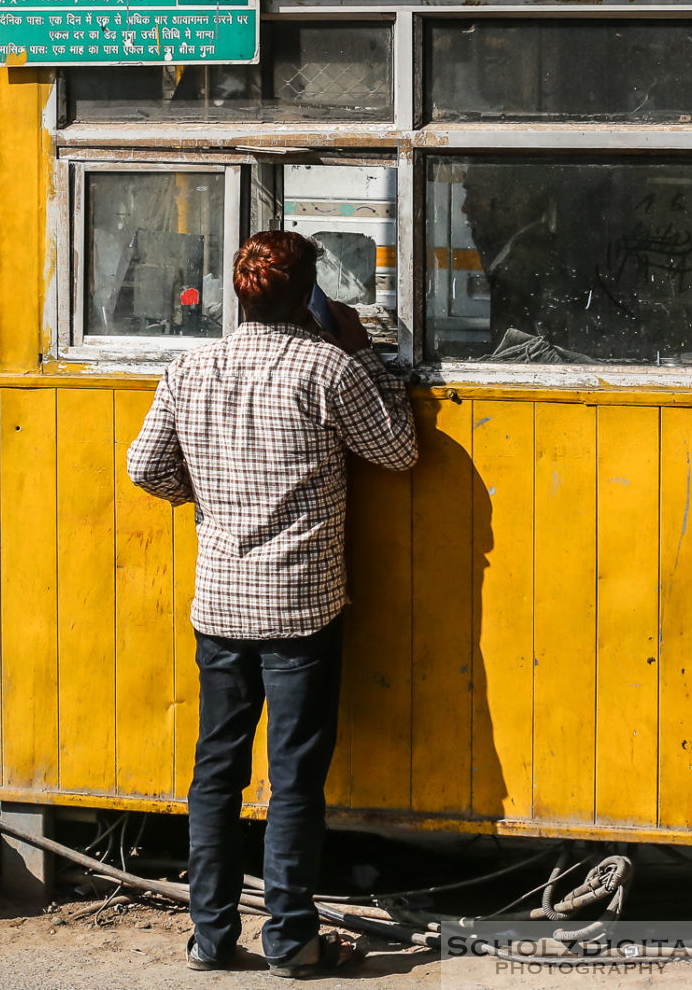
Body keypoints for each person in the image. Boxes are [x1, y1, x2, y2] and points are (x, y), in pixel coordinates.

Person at [126, 229, 417, 978]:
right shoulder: (328, 368)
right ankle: (291, 941)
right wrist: (361, 351)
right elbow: (398, 451)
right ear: (309, 298)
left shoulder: (192, 367)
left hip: (219, 603)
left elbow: (145, 466)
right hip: (299, 607)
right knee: (292, 778)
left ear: (240, 293)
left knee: (215, 772)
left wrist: (213, 504)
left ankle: (211, 939)